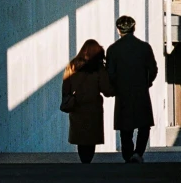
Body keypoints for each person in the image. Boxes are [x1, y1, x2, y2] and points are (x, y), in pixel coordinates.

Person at [106, 15, 158, 163]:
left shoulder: (113, 49)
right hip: (141, 90)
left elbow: (110, 73)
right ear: (134, 28)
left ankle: (128, 155)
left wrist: (116, 86)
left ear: (118, 30)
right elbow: (153, 69)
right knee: (143, 124)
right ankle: (138, 153)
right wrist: (147, 83)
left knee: (125, 127)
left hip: (122, 92)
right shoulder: (144, 47)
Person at [62, 39, 114, 163]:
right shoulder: (98, 68)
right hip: (93, 109)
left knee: (81, 140)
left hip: (77, 109)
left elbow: (65, 89)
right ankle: (87, 163)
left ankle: (83, 162)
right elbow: (107, 90)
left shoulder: (72, 65)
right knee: (90, 141)